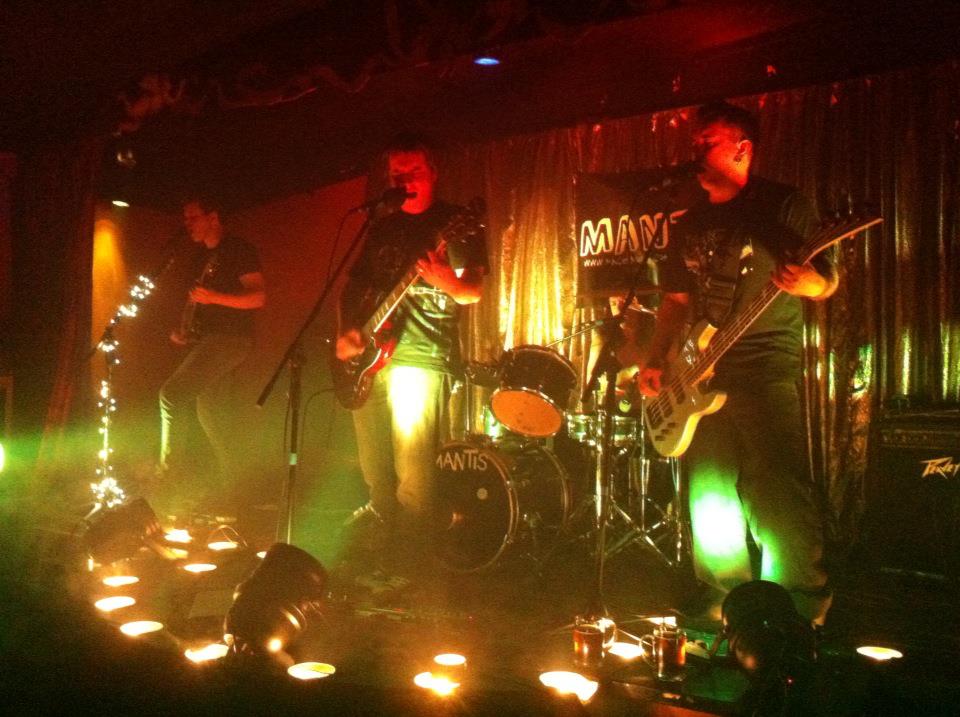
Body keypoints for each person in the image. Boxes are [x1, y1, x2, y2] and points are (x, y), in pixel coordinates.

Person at [635, 101, 838, 626]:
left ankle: (796, 603)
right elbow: (676, 302)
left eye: (707, 141)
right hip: (702, 370)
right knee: (710, 491)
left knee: (776, 487)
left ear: (742, 149)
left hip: (764, 361)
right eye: (695, 142)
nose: (696, 151)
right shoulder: (691, 222)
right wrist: (656, 357)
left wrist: (809, 282)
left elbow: (826, 280)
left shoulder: (782, 204)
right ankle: (725, 597)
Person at [335, 134, 486, 569]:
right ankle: (382, 550)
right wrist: (346, 332)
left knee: (413, 475)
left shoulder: (456, 223)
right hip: (370, 357)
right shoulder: (381, 226)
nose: (404, 181)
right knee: (374, 468)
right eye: (396, 174)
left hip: (420, 356)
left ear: (432, 173)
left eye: (413, 171)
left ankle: (412, 562)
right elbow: (352, 287)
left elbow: (472, 291)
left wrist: (446, 281)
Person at [157, 196, 266, 513]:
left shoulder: (238, 249)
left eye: (193, 217)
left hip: (230, 340)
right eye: (185, 218)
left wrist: (214, 297)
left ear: (213, 217)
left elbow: (258, 297)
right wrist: (186, 331)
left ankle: (167, 481)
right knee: (212, 416)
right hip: (210, 340)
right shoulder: (202, 257)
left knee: (171, 396)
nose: (187, 224)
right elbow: (201, 305)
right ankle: (238, 494)